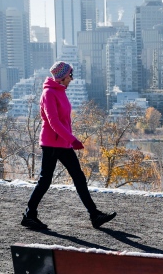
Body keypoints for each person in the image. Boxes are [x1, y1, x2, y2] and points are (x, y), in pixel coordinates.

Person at [22, 61, 116, 230]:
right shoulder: (49, 93)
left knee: (79, 178)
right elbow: (53, 122)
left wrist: (69, 140)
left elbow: (63, 120)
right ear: (62, 77)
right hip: (52, 144)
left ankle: (94, 215)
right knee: (45, 181)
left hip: (63, 143)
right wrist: (72, 139)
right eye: (70, 75)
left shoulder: (60, 91)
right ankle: (29, 215)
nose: (72, 79)